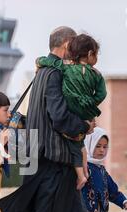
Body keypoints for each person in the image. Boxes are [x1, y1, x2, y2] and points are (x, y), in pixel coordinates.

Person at [0, 26, 127, 212]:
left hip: (47, 158)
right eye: (73, 45)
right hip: (52, 160)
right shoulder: (53, 74)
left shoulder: (43, 73)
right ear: (66, 44)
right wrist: (84, 126)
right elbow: (60, 116)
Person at [37, 33, 106, 190]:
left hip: (72, 110)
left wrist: (39, 61)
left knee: (75, 144)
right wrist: (91, 103)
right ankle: (84, 171)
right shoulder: (96, 74)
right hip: (86, 111)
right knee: (80, 143)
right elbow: (102, 94)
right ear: (90, 54)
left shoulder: (65, 69)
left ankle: (81, 175)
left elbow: (49, 62)